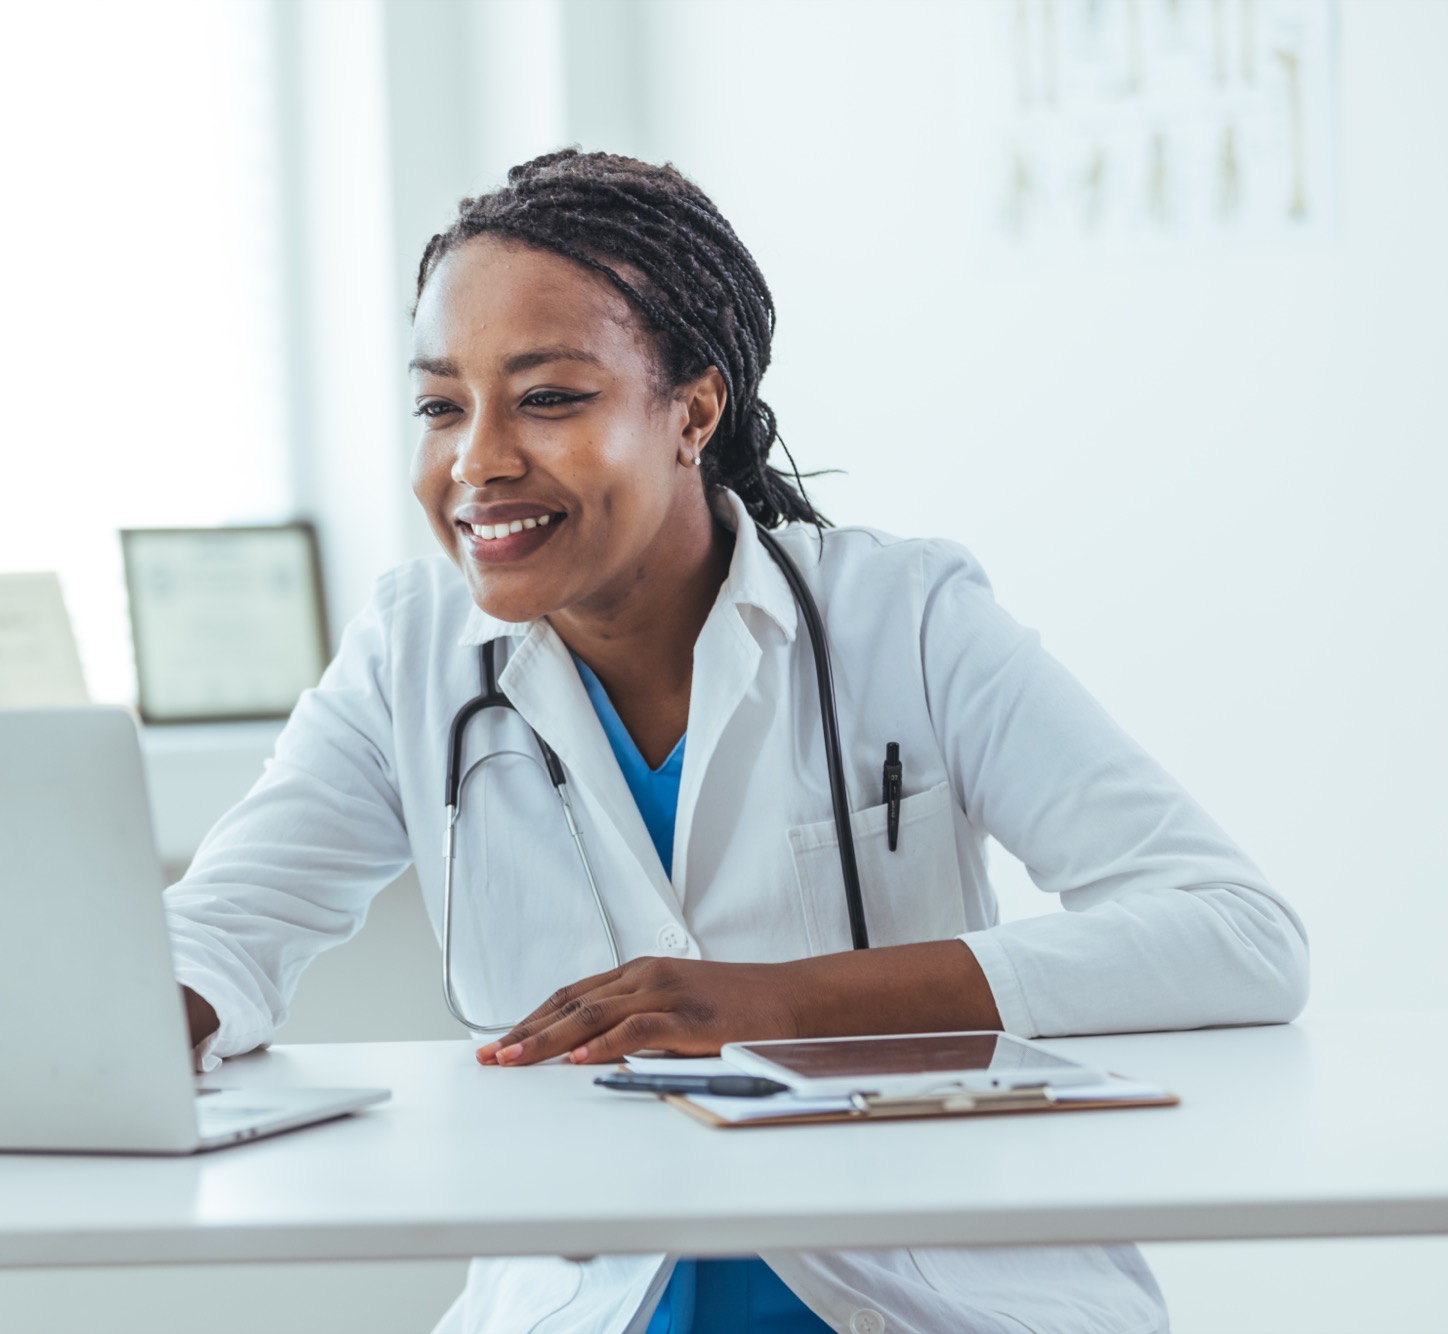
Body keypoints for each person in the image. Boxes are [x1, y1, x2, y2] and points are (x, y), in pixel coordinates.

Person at [164, 150, 1308, 1333]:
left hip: (925, 1304)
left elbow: (1233, 932)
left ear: (692, 411)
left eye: (548, 397)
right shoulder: (412, 655)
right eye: (440, 405)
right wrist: (126, 1023)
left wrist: (789, 1002)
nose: (477, 459)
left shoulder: (903, 619)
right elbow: (220, 930)